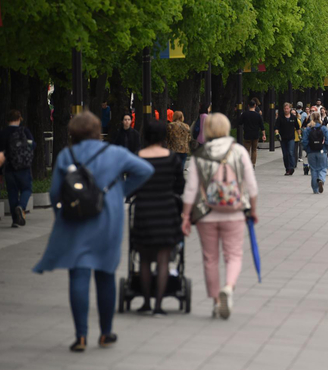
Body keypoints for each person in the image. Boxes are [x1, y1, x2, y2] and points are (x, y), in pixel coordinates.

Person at [33, 112, 154, 352]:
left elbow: (55, 192)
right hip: (108, 219)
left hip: (76, 219)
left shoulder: (67, 155)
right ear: (98, 130)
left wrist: (61, 215)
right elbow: (145, 170)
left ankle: (80, 336)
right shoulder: (115, 153)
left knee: (78, 274)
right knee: (105, 274)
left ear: (73, 133)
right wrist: (121, 192)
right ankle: (106, 333)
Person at [181, 113, 258, 320]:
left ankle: (216, 301)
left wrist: (186, 216)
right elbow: (252, 186)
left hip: (206, 213)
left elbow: (190, 190)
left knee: (210, 258)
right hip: (234, 211)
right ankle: (229, 288)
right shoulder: (239, 151)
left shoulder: (201, 154)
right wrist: (253, 210)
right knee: (233, 255)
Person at [132, 121, 185, 317]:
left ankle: (146, 302)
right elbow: (180, 186)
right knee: (163, 260)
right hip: (166, 211)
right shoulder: (171, 159)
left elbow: (132, 184)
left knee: (144, 260)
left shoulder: (138, 157)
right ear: (164, 136)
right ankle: (158, 306)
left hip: (144, 211)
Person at [0, 110, 35, 227]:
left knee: (12, 192)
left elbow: (1, 154)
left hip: (9, 168)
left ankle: (15, 220)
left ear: (7, 120)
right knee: (26, 189)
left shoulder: (3, 133)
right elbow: (32, 146)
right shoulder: (24, 131)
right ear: (19, 118)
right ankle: (21, 207)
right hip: (24, 167)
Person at [301, 112, 328, 194]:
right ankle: (321, 179)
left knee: (313, 169)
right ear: (320, 118)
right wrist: (325, 148)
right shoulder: (323, 128)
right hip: (321, 151)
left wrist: (308, 150)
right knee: (323, 167)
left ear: (311, 118)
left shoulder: (308, 129)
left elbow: (304, 142)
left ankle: (315, 189)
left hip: (311, 152)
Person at [276, 103, 300, 175]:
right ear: (283, 109)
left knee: (291, 152)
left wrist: (300, 135)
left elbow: (298, 127)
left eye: (287, 108)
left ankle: (291, 167)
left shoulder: (293, 117)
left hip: (291, 138)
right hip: (283, 138)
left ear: (290, 109)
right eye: (285, 109)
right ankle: (287, 168)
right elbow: (276, 127)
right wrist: (277, 133)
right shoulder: (280, 117)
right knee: (285, 154)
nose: (286, 110)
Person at [240, 100, 266, 167]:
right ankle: (253, 164)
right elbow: (262, 126)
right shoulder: (258, 115)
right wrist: (264, 135)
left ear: (248, 105)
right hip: (255, 134)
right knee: (254, 150)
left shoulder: (245, 114)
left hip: (247, 134)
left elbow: (239, 122)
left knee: (246, 150)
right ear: (255, 106)